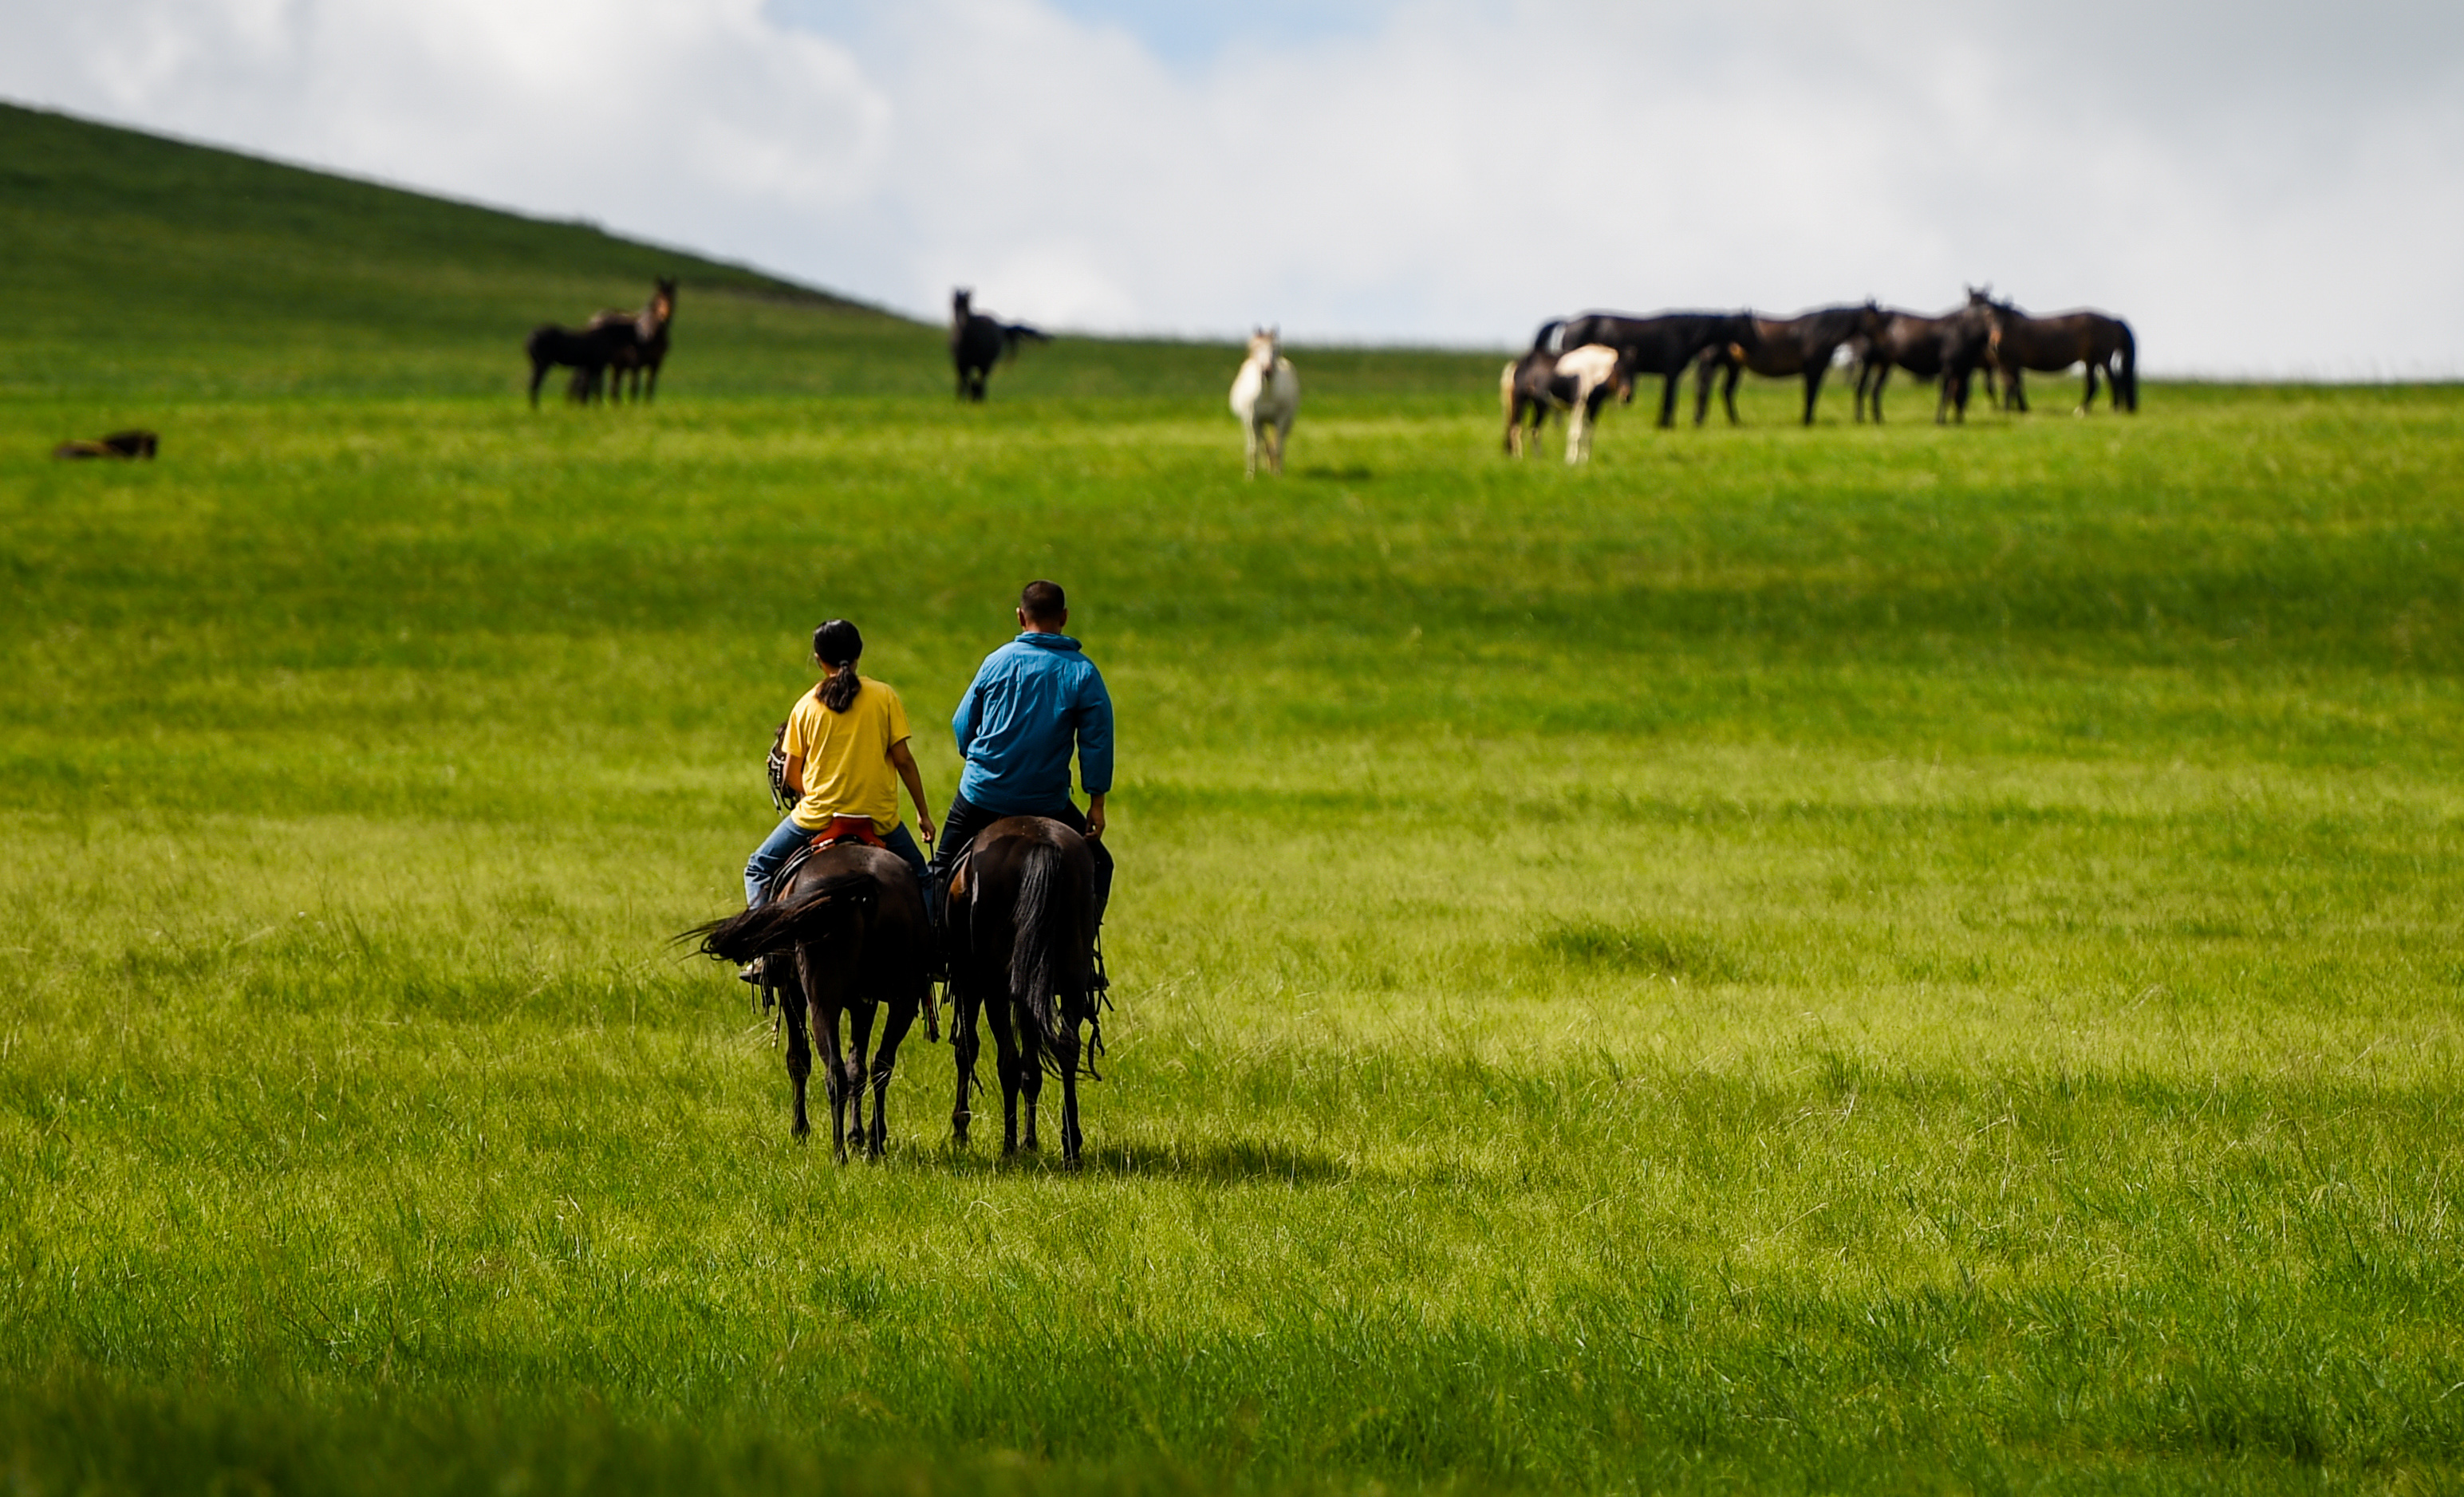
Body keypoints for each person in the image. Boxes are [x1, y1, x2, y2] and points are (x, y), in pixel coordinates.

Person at [927, 579, 1114, 931]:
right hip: (1045, 801)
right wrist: (1097, 802)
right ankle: (1083, 950)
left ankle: (938, 947)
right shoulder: (1082, 672)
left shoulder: (995, 661)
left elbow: (962, 723)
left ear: (1019, 617)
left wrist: (980, 760)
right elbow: (1097, 741)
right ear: (1064, 617)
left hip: (983, 794)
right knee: (1101, 865)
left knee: (941, 865)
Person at [743, 620, 936, 916]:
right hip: (879, 817)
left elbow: (791, 776)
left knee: (758, 867)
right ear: (858, 654)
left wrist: (819, 791)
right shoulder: (884, 696)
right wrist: (923, 815)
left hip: (819, 816)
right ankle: (933, 952)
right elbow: (904, 762)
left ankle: (760, 952)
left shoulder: (806, 706)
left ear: (819, 660)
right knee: (922, 877)